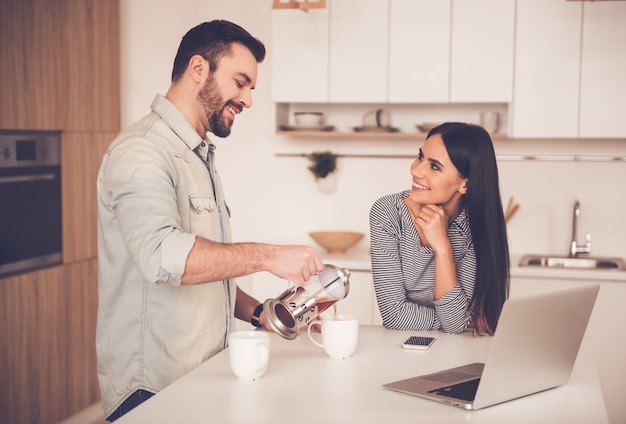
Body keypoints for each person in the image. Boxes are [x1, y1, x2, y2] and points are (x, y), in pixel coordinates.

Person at [96, 20, 323, 421]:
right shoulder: (142, 151)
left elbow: (205, 268)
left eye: (251, 87)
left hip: (200, 376)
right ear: (199, 69)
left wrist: (262, 313)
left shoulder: (198, 156)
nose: (249, 100)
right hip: (153, 389)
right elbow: (163, 255)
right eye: (241, 82)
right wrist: (269, 256)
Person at [369, 122, 509, 335]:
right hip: (399, 345)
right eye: (420, 157)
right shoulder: (388, 212)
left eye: (434, 166)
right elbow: (393, 314)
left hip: (460, 350)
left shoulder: (474, 227)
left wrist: (443, 247)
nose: (415, 170)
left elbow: (455, 323)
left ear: (465, 184)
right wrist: (465, 321)